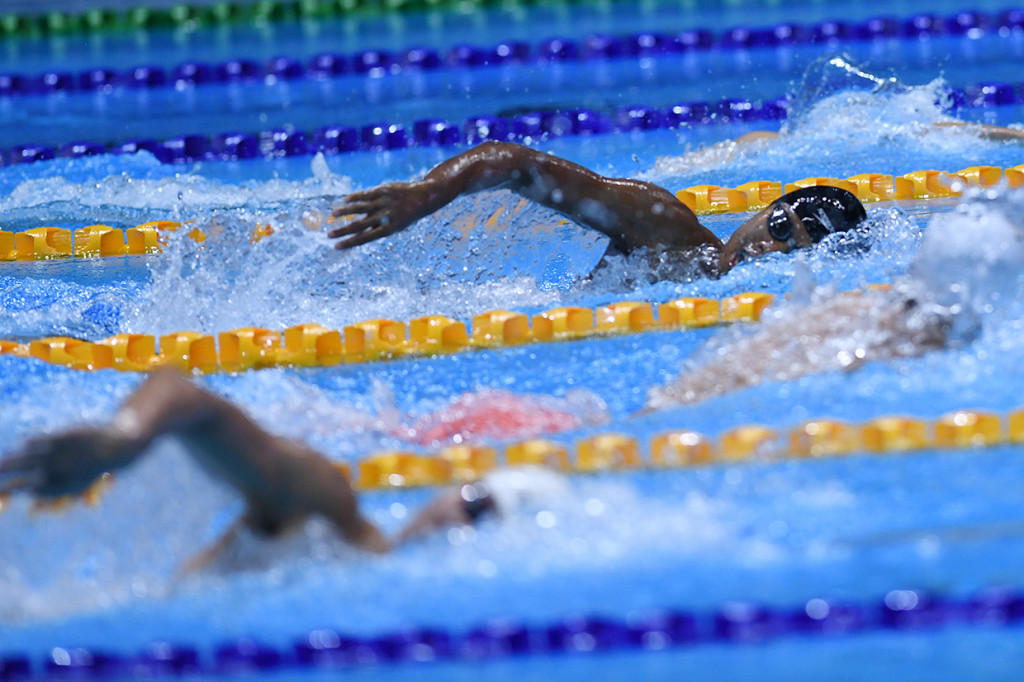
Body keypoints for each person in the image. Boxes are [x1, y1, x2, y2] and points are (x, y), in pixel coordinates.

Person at [0, 370, 545, 569]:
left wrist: (119, 445)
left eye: (477, 508)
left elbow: (192, 400)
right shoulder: (332, 523)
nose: (454, 506)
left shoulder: (334, 529)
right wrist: (123, 438)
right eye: (473, 495)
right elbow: (182, 393)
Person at [328, 140, 869, 276]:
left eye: (790, 246)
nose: (768, 245)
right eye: (778, 224)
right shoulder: (666, 230)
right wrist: (429, 194)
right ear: (761, 210)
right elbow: (516, 163)